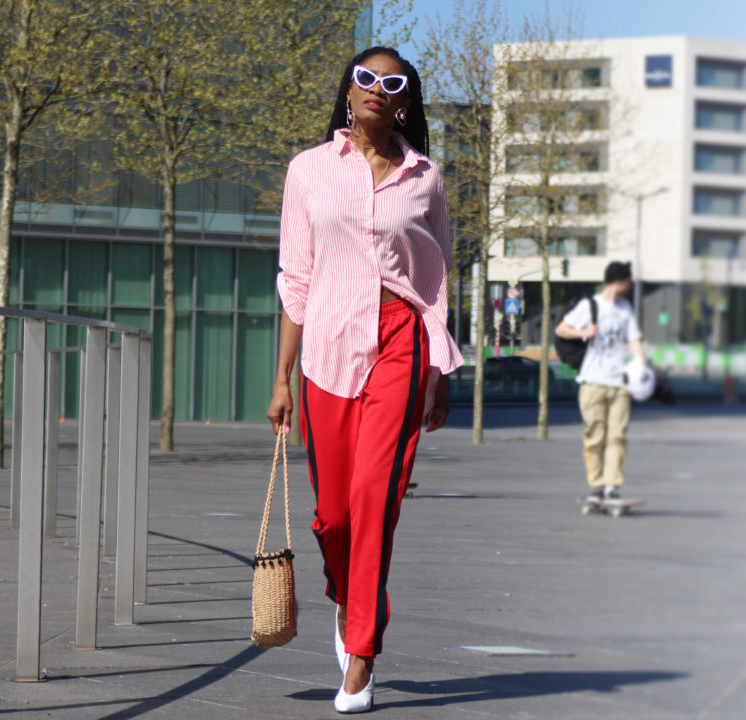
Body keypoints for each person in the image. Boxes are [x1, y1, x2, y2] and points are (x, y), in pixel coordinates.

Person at [266, 46, 463, 714]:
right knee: (334, 515)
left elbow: (436, 283)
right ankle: (351, 600)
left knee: (376, 499)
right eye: (366, 78)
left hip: (401, 346)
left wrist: (438, 370)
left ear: (404, 99)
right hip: (325, 347)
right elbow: (296, 276)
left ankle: (362, 655)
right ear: (349, 92)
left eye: (393, 82)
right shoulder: (309, 171)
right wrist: (282, 377)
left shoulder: (425, 178)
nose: (378, 89)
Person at [555, 261, 646, 502]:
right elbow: (562, 329)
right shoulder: (590, 305)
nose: (630, 285)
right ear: (620, 281)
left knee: (617, 436)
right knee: (595, 436)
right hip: (593, 381)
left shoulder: (626, 308)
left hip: (619, 383)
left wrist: (642, 364)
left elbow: (634, 339)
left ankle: (611, 487)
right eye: (628, 281)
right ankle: (597, 485)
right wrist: (584, 333)